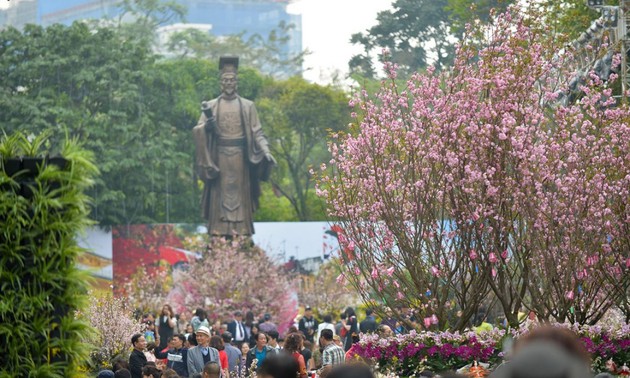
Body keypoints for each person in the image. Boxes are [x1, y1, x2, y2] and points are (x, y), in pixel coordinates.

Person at [192, 56, 276, 237]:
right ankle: (218, 234)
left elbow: (258, 133)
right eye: (225, 80)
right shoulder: (212, 106)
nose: (228, 83)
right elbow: (197, 130)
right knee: (219, 196)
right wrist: (207, 127)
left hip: (241, 159)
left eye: (232, 80)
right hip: (219, 158)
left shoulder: (247, 106)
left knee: (240, 197)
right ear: (220, 83)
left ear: (237, 83)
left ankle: (242, 235)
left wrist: (266, 152)